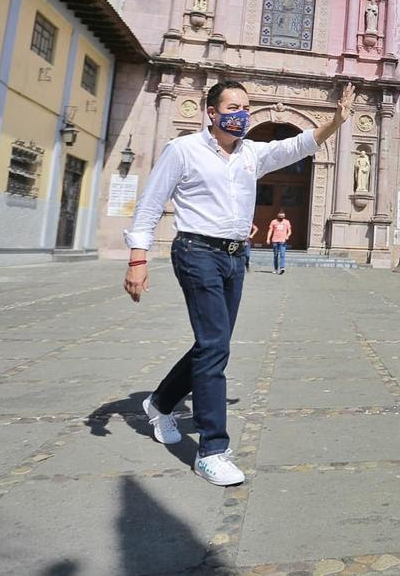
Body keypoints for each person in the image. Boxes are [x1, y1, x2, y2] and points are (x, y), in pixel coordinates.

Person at [123, 79, 353, 485]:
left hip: (234, 257)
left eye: (246, 107)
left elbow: (298, 145)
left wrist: (336, 120)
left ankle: (159, 404)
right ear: (211, 112)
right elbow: (151, 202)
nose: (241, 114)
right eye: (233, 106)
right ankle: (212, 450)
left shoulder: (252, 154)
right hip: (195, 252)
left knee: (212, 343)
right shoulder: (184, 150)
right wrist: (138, 257)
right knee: (215, 347)